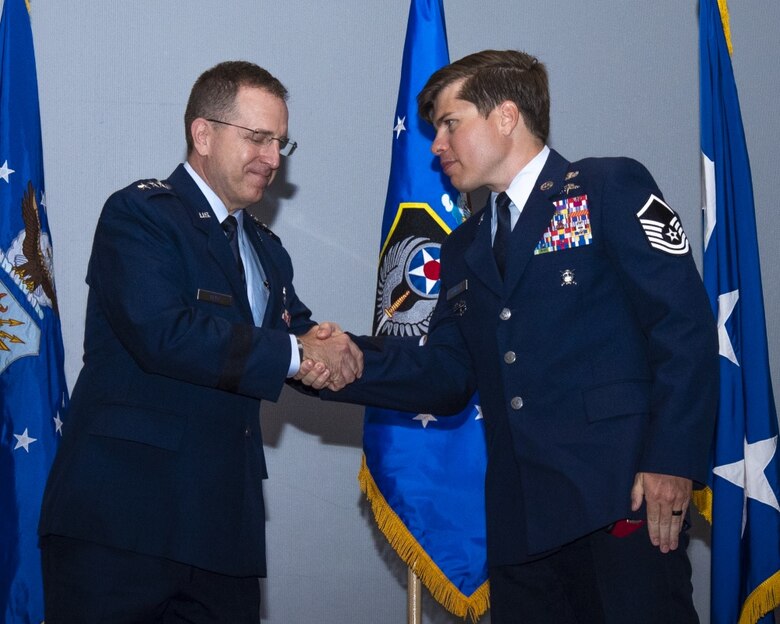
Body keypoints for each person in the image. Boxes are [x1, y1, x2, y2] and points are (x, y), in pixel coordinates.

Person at [300, 50, 718, 623]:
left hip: (621, 500)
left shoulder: (605, 186)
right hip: (521, 521)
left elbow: (683, 327)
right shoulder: (464, 245)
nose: (437, 145)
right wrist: (334, 359)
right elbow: (446, 374)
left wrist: (672, 459)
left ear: (505, 116)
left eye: (450, 123)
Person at [38, 60, 362, 623]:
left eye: (281, 143)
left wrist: (400, 364)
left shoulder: (266, 248)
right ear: (203, 133)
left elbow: (302, 340)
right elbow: (165, 334)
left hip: (222, 533)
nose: (271, 158)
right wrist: (299, 352)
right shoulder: (140, 214)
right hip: (122, 524)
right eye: (257, 137)